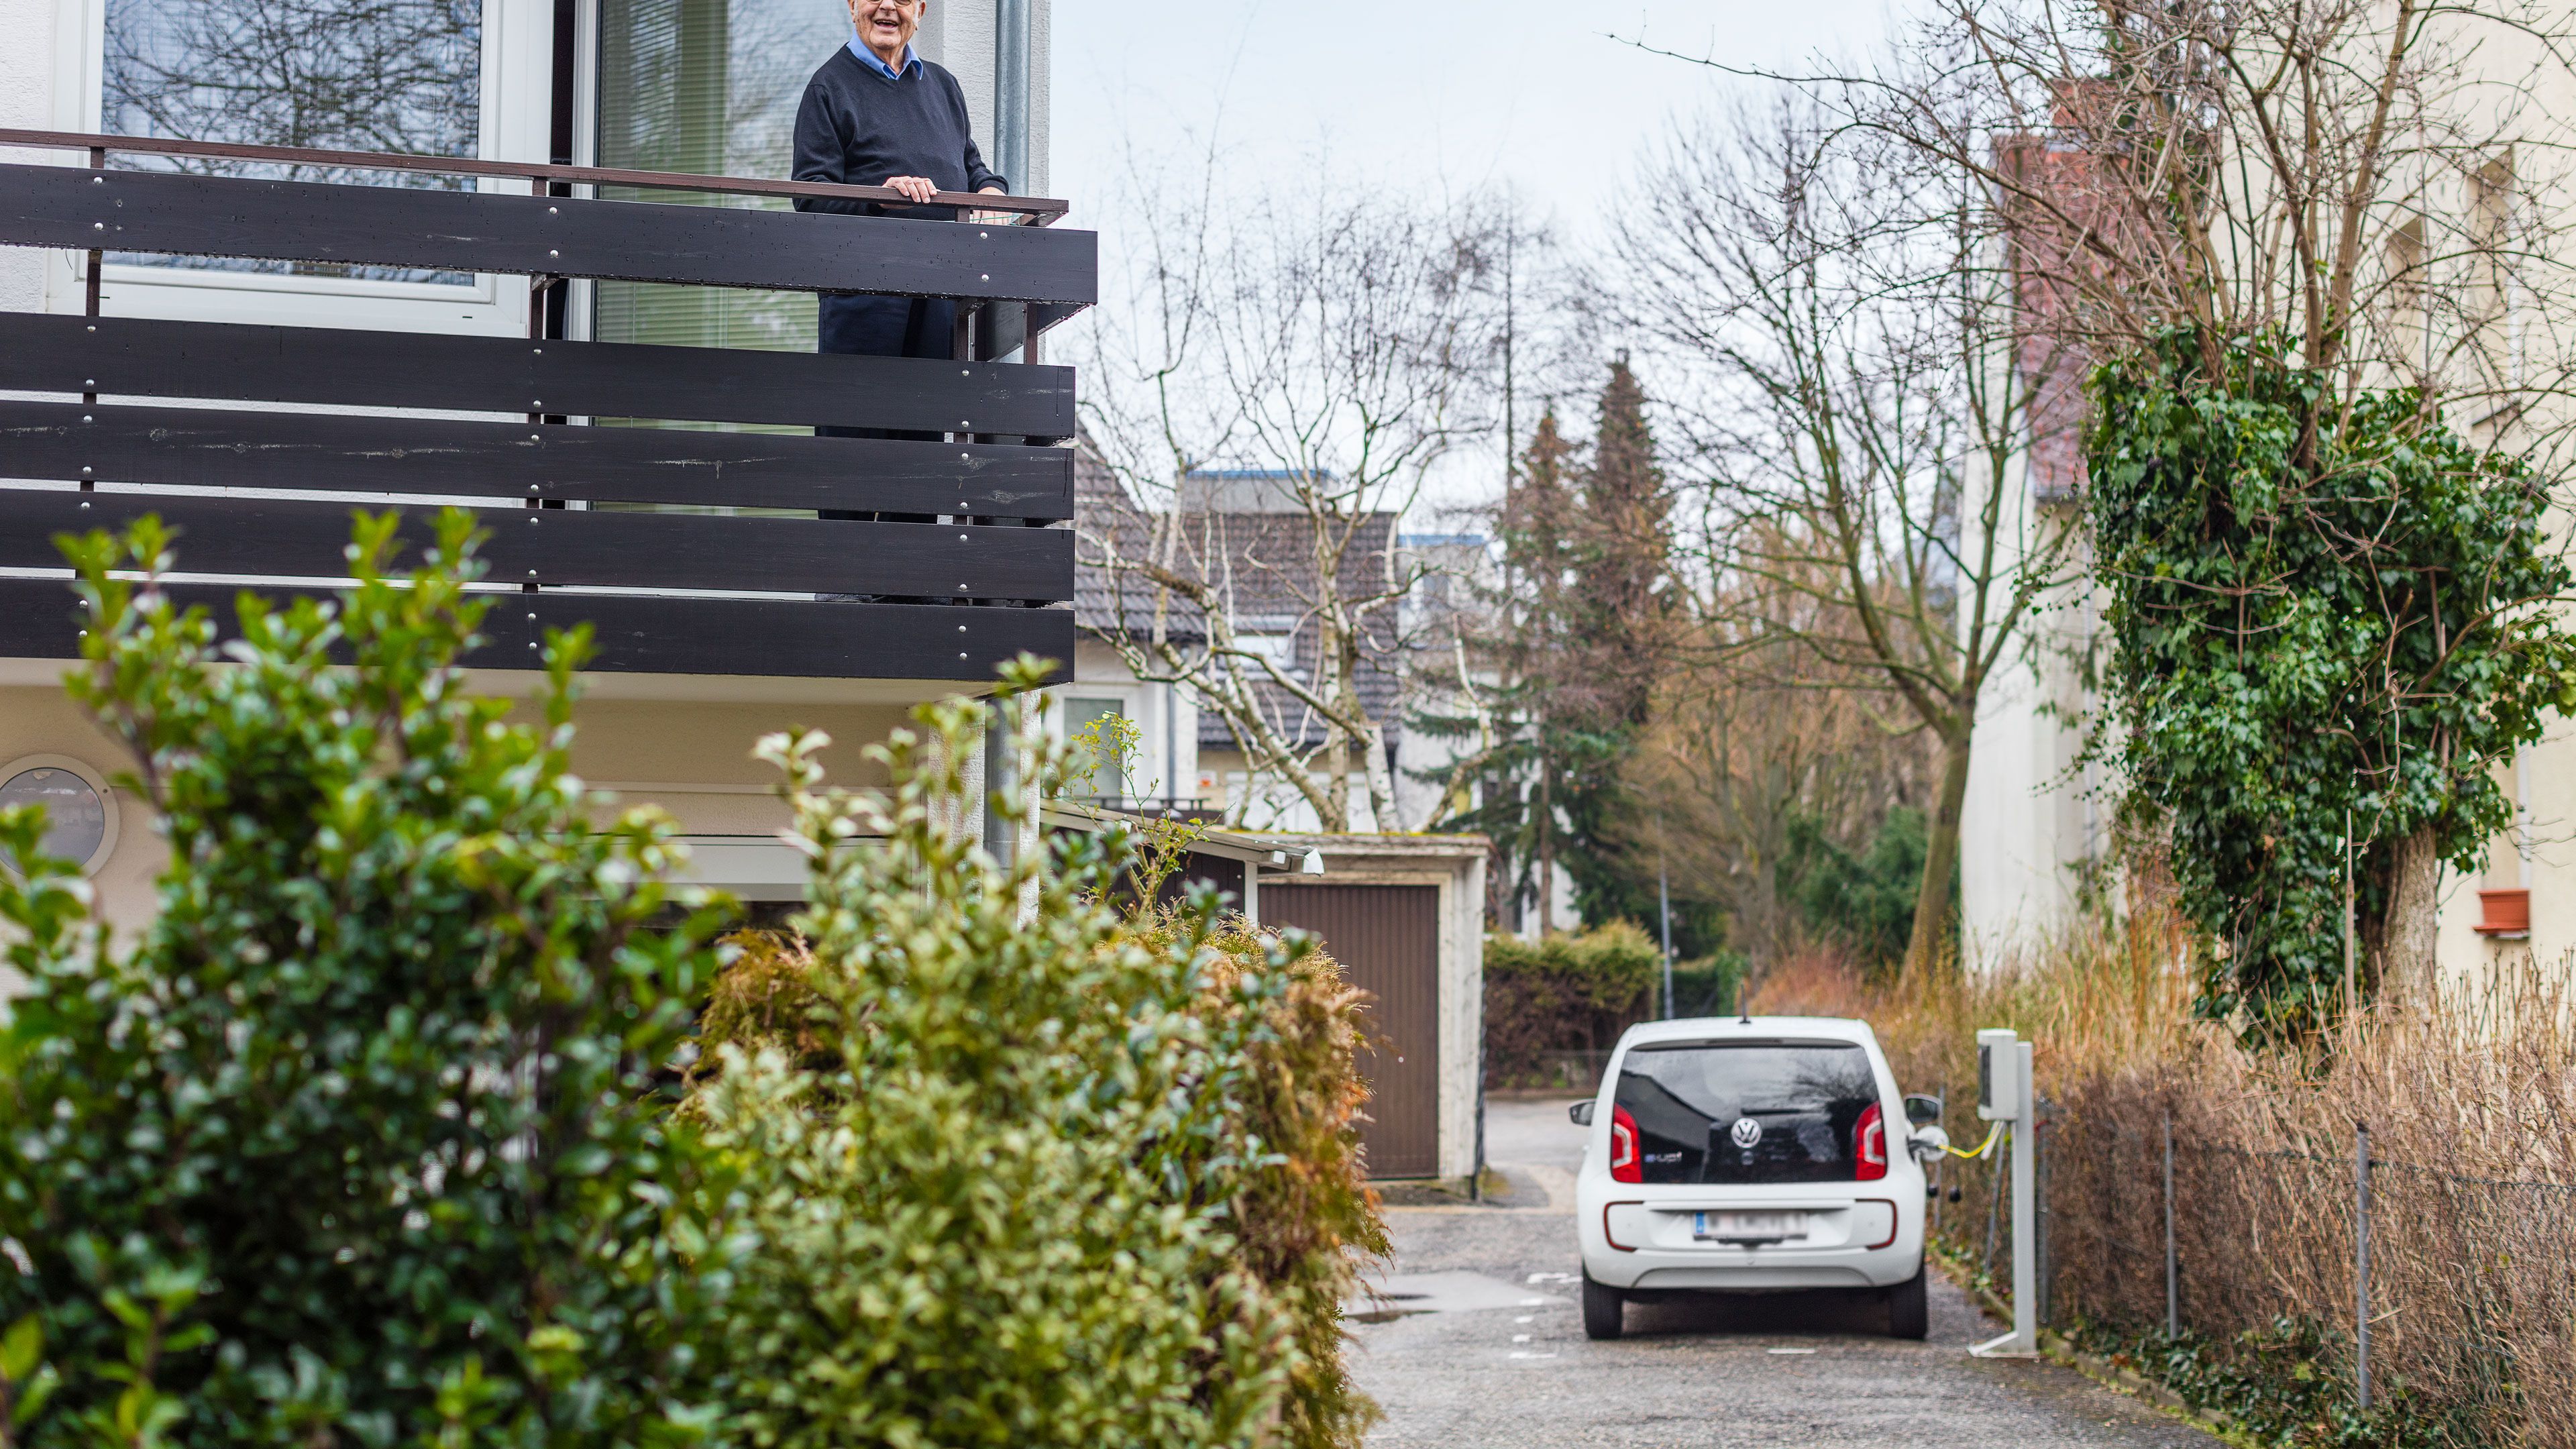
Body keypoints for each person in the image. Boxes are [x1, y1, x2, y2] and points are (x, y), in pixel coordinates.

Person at [792, 0, 1008, 366]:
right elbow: (811, 195)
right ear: (853, 6)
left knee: (926, 418)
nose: (889, 7)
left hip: (943, 288)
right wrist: (880, 200)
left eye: (903, 0)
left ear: (920, 11)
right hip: (864, 291)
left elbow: (970, 165)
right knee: (861, 416)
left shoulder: (944, 85)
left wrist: (991, 192)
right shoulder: (827, 86)